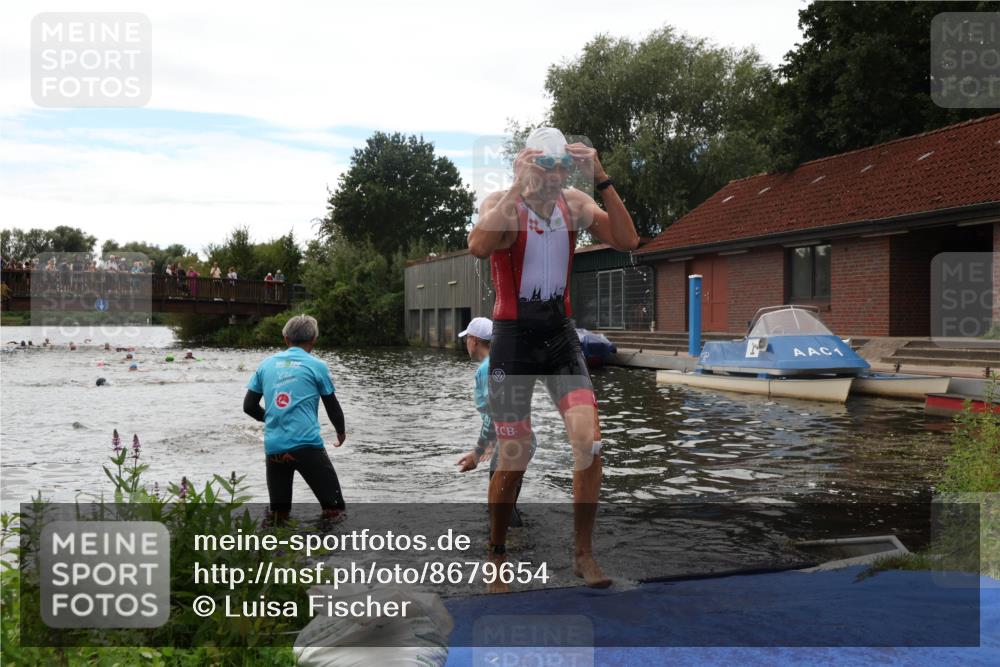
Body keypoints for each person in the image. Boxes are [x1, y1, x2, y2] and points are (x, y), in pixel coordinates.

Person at [467, 127, 639, 592]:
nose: (551, 177)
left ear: (567, 168)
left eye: (559, 168)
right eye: (543, 167)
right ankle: (497, 556)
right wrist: (515, 186)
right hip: (513, 339)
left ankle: (583, 554)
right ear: (528, 165)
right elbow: (480, 246)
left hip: (560, 338)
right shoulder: (501, 202)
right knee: (514, 452)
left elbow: (628, 240)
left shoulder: (577, 203)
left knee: (590, 442)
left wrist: (601, 177)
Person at [243, 314, 347, 522]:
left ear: (285, 339)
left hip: (275, 447)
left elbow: (249, 406)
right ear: (314, 340)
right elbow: (332, 405)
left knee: (279, 514)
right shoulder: (316, 366)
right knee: (335, 510)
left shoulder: (266, 365)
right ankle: (321, 552)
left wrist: (273, 418)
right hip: (306, 445)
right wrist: (340, 431)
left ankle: (270, 551)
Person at [456, 317, 535, 527]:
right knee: (507, 503)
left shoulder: (485, 369)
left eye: (467, 339)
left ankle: (508, 548)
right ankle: (517, 545)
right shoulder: (503, 364)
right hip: (522, 440)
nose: (466, 344)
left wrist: (477, 453)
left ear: (473, 340)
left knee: (499, 507)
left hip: (509, 444)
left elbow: (493, 413)